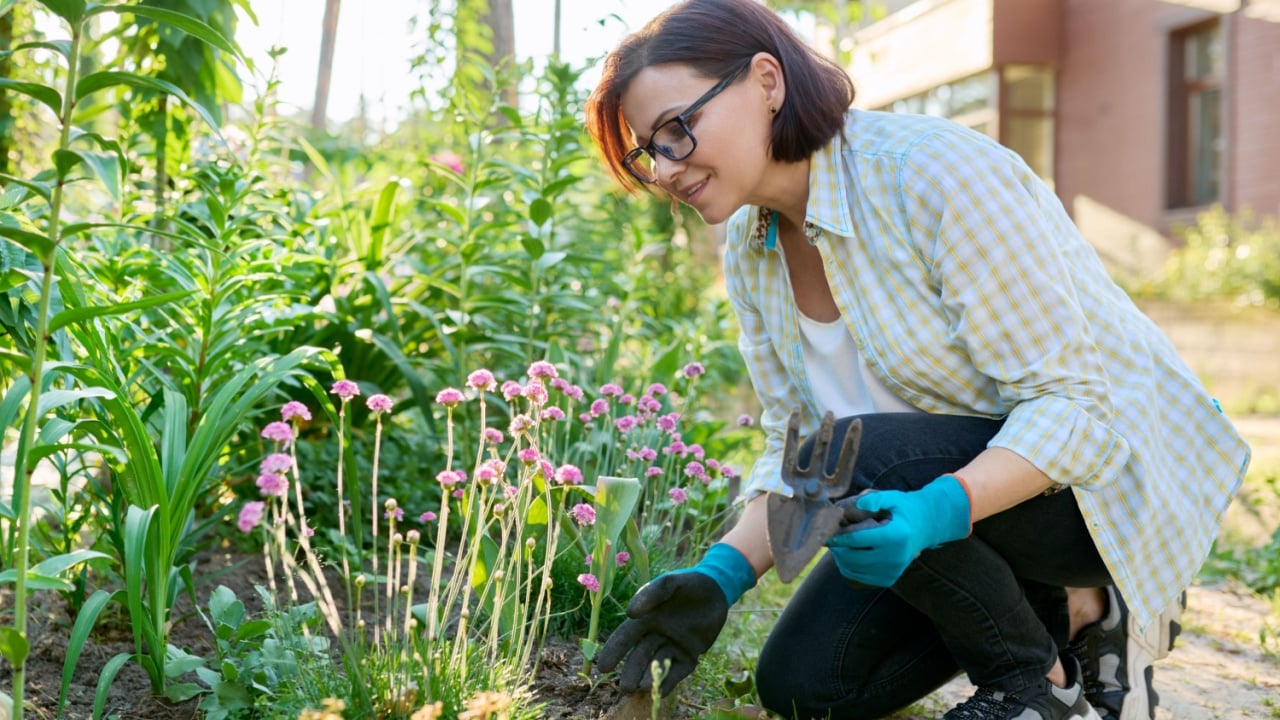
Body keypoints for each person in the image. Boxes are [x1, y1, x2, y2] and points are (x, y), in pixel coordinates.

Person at [583, 1, 1252, 719]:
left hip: (1103, 488)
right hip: (936, 487)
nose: (666, 167)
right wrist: (721, 576)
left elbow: (1074, 409)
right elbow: (802, 445)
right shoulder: (752, 248)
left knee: (862, 452)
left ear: (767, 81)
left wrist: (936, 512)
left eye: (678, 128)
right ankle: (1068, 614)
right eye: (647, 150)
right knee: (807, 690)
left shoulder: (931, 174)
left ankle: (1034, 685)